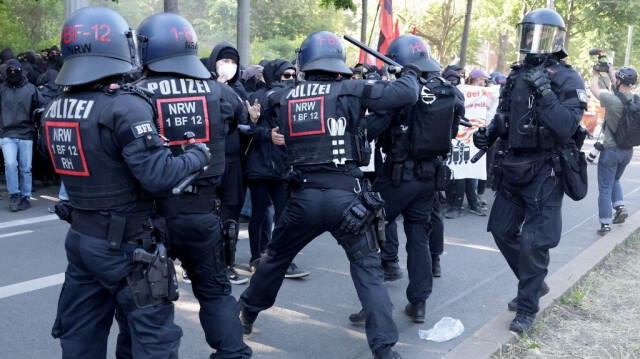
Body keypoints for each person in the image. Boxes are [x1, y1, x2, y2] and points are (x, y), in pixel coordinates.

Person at [238, 30, 422, 359]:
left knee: (275, 259)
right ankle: (384, 350)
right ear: (337, 61)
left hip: (302, 198)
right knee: (368, 270)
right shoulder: (351, 88)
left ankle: (247, 315)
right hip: (347, 198)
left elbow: (257, 107)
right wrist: (407, 69)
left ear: (305, 61)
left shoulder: (282, 96)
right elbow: (406, 93)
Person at [45, 7, 212, 358]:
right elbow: (158, 178)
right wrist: (198, 153)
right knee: (153, 340)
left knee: (80, 336)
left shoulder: (55, 107)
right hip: (126, 246)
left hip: (81, 238)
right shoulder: (124, 106)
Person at [135, 13, 253, 358]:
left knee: (149, 302)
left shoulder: (135, 94)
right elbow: (234, 126)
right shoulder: (221, 93)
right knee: (215, 292)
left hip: (150, 216)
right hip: (202, 211)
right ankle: (233, 353)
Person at [473, 8, 587, 332]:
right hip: (513, 165)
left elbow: (566, 126)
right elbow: (504, 116)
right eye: (530, 33)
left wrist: (546, 93)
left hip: (547, 170)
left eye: (543, 35)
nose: (534, 42)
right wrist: (490, 132)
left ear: (557, 40)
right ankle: (533, 283)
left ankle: (527, 307)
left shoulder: (568, 77)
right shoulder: (515, 74)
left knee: (534, 243)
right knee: (501, 229)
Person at [350, 35, 463, 325]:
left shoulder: (401, 93)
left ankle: (373, 304)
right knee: (418, 239)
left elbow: (371, 130)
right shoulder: (449, 90)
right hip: (430, 176)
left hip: (398, 177)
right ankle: (419, 303)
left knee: (369, 234)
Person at [243, 59, 309, 277]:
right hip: (259, 166)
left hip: (282, 167)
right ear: (275, 75)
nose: (289, 79)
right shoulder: (258, 97)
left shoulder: (294, 99)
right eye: (285, 75)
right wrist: (264, 132)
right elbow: (245, 129)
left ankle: (280, 259)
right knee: (259, 214)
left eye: (293, 75)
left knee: (284, 215)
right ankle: (255, 257)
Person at [589, 65, 636, 235]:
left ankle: (605, 224)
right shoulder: (636, 100)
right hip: (627, 151)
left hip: (610, 151)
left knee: (605, 187)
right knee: (615, 179)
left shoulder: (612, 100)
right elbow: (622, 95)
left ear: (619, 81)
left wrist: (595, 74)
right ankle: (620, 206)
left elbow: (594, 89)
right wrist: (611, 72)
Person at [0, 58, 45, 211]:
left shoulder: (31, 89)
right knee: (11, 164)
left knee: (25, 168)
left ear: (20, 70)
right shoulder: (2, 89)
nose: (13, 73)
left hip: (26, 132)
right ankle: (14, 194)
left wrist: (37, 115)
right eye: (10, 70)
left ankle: (25, 196)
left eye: (15, 70)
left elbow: (43, 105)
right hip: (6, 133)